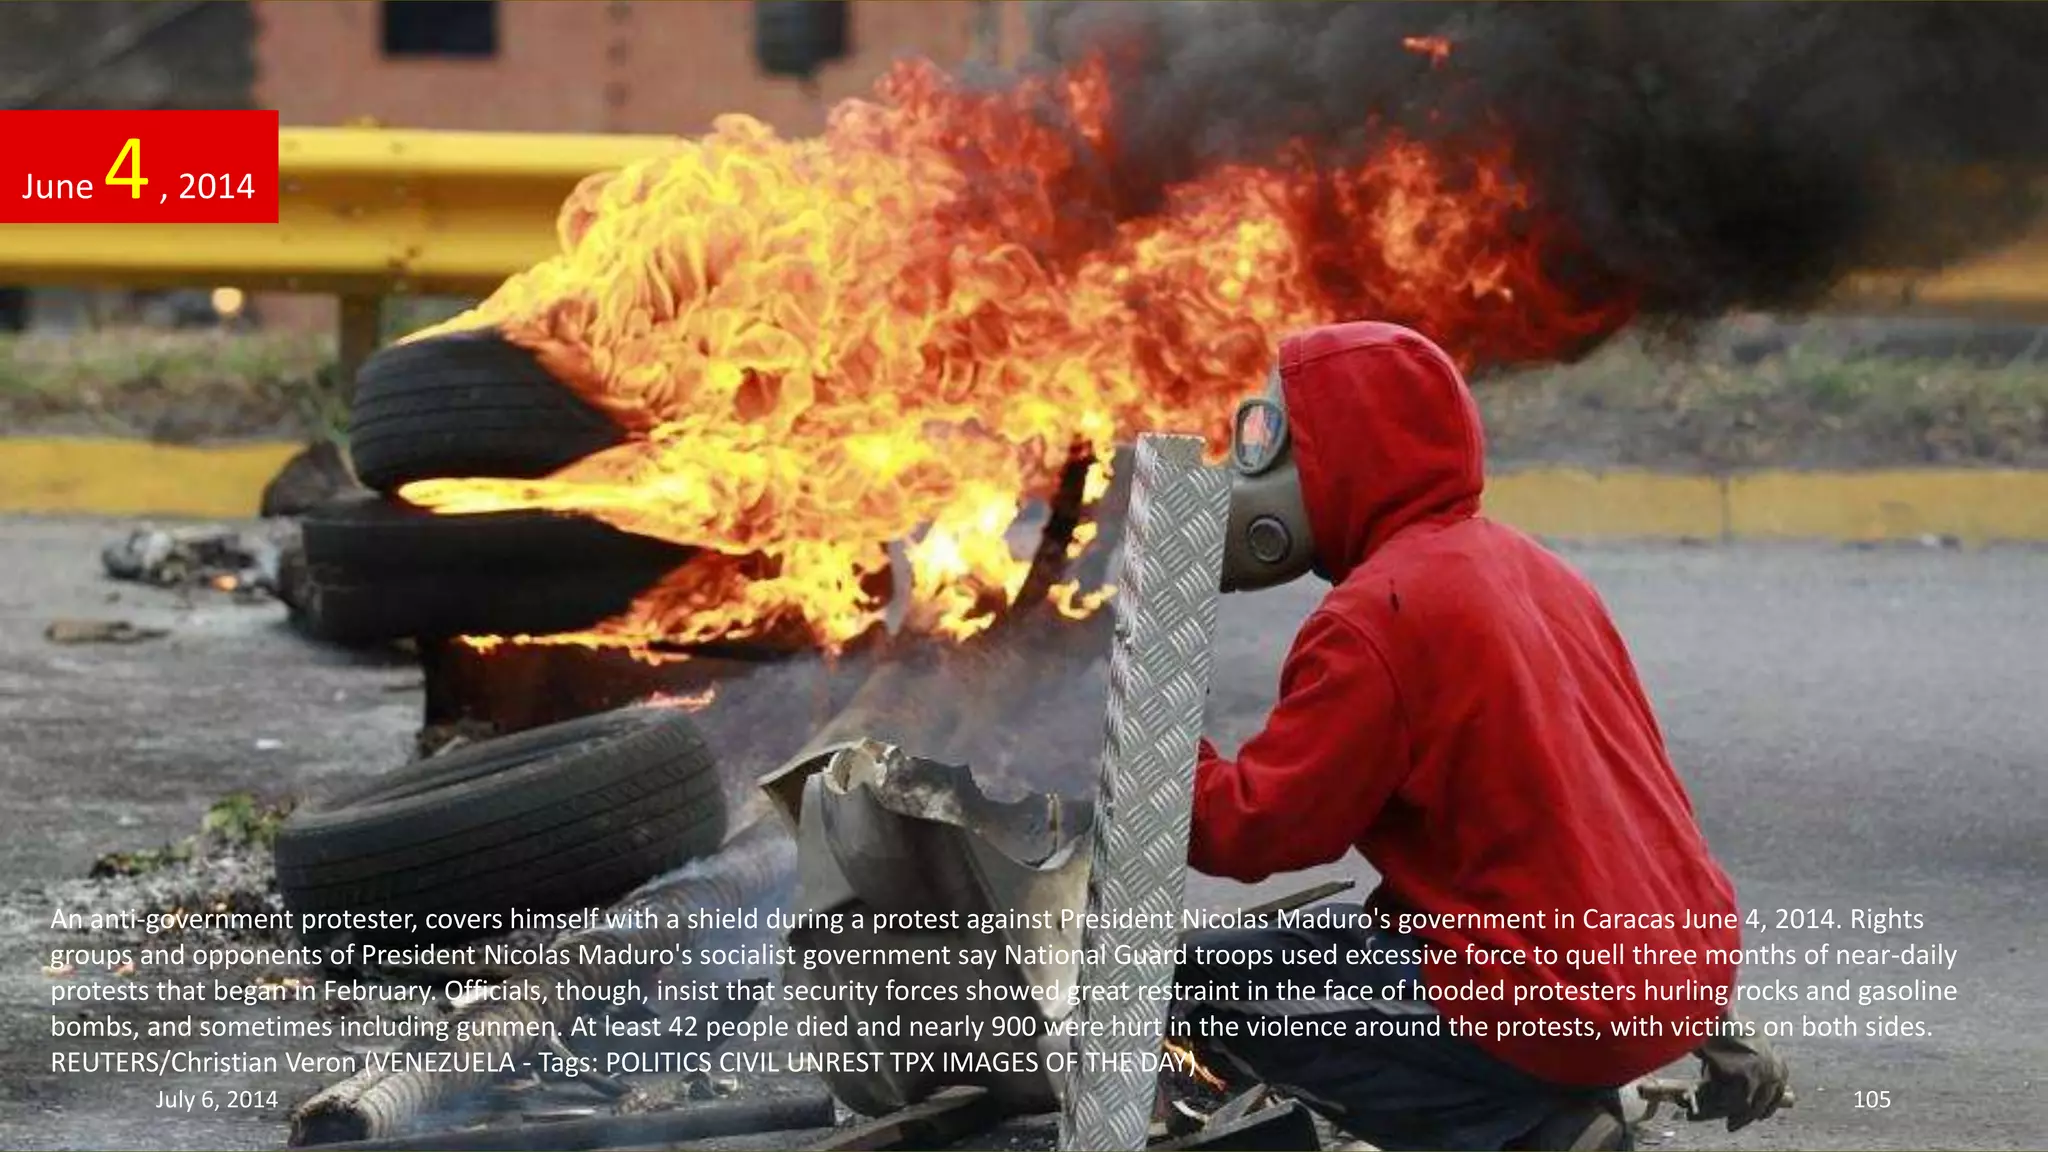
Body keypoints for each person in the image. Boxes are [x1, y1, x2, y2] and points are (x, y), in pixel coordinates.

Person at [1175, 321, 1788, 1151]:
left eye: (1282, 446)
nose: (1260, 473)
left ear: (1347, 455)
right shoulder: (1533, 569)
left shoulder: (1378, 616)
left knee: (1197, 993)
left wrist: (1161, 742)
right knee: (1247, 954)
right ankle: (1553, 1088)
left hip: (1559, 999)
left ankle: (1530, 1129)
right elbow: (1623, 810)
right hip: (1665, 966)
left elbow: (1253, 827)